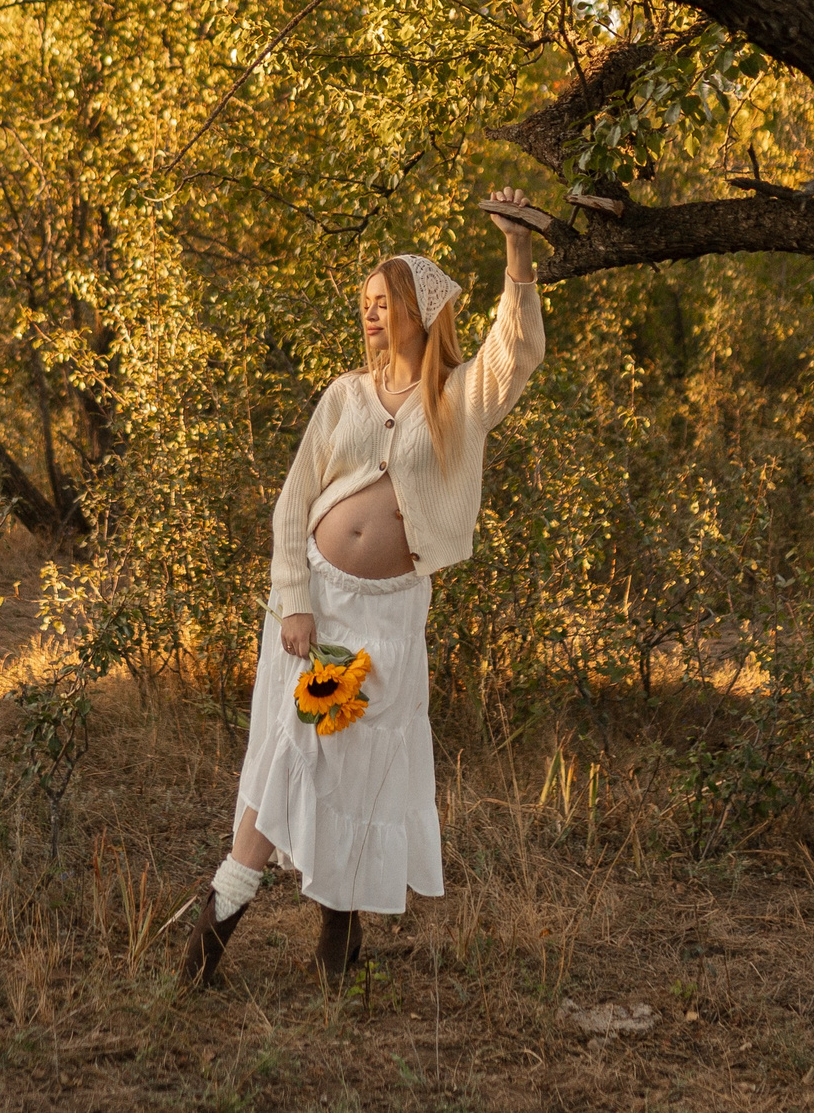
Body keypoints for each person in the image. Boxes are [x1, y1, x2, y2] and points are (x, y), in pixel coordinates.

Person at [181, 188, 546, 989]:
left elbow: (514, 352)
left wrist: (517, 251)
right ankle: (207, 948)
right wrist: (294, 602)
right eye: (367, 302)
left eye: (385, 301)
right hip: (319, 608)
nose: (371, 314)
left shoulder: (458, 399)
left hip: (387, 619)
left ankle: (334, 948)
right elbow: (293, 503)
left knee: (349, 769)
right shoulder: (345, 395)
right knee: (293, 755)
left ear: (421, 310)